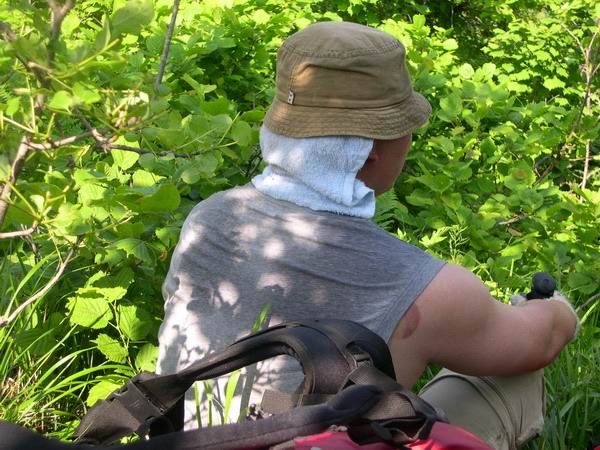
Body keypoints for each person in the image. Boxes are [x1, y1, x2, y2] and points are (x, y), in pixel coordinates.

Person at [156, 21, 579, 449]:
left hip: (189, 440)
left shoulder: (208, 220)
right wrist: (558, 310)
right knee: (511, 376)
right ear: (374, 149)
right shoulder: (421, 286)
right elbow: (538, 342)